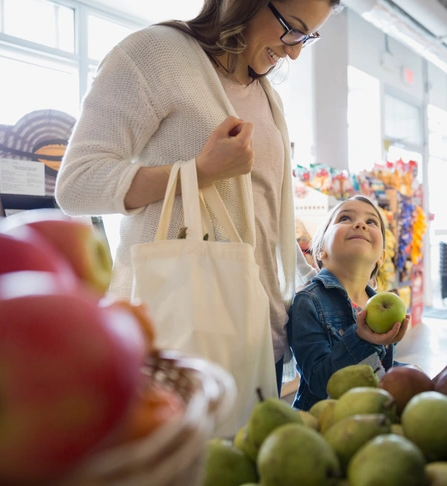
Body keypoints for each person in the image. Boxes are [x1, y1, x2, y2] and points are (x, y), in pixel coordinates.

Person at [55, 0, 341, 394]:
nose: (293, 50)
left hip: (262, 338)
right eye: (291, 28)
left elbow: (265, 218)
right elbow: (77, 184)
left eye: (307, 37)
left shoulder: (266, 94)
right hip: (181, 338)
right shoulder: (154, 55)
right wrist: (198, 172)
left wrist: (324, 288)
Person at [288, 195, 411, 411]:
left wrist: (408, 374)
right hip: (324, 423)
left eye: (371, 222)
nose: (360, 224)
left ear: (380, 258)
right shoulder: (308, 301)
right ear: (321, 250)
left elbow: (378, 371)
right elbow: (320, 382)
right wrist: (361, 339)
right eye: (345, 218)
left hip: (370, 415)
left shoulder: (383, 304)